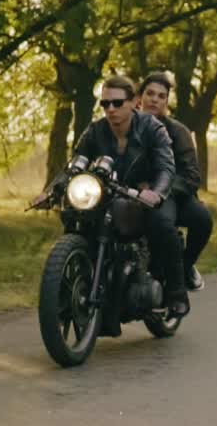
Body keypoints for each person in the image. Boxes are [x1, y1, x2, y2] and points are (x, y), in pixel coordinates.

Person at [72, 75, 190, 317]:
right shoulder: (95, 130)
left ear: (133, 102)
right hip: (109, 191)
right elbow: (74, 164)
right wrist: (51, 190)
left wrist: (157, 192)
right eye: (105, 104)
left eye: (117, 103)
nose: (110, 109)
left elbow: (166, 167)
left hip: (145, 192)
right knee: (76, 215)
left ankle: (177, 293)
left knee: (162, 223)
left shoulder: (152, 127)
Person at [137, 72, 213, 291]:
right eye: (150, 93)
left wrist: (160, 189)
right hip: (130, 192)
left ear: (166, 102)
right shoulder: (126, 125)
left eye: (161, 96)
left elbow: (191, 176)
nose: (154, 99)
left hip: (174, 194)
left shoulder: (178, 131)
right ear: (140, 97)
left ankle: (185, 266)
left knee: (203, 220)